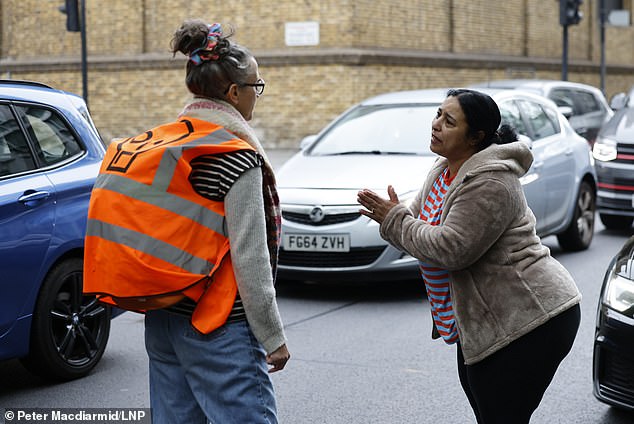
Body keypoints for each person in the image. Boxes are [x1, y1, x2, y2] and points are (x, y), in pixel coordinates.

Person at [84, 19, 289, 424]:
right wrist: (272, 336)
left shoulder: (161, 144)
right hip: (217, 326)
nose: (256, 97)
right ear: (234, 93)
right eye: (256, 87)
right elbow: (251, 257)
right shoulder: (234, 156)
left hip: (162, 318)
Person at [357, 88, 581, 424]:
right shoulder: (443, 170)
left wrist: (395, 219)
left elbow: (451, 248)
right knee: (491, 413)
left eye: (449, 121)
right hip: (484, 322)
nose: (436, 125)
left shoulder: (492, 182)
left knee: (501, 415)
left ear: (475, 137)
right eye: (437, 115)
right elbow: (415, 234)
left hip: (533, 319)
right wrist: (396, 218)